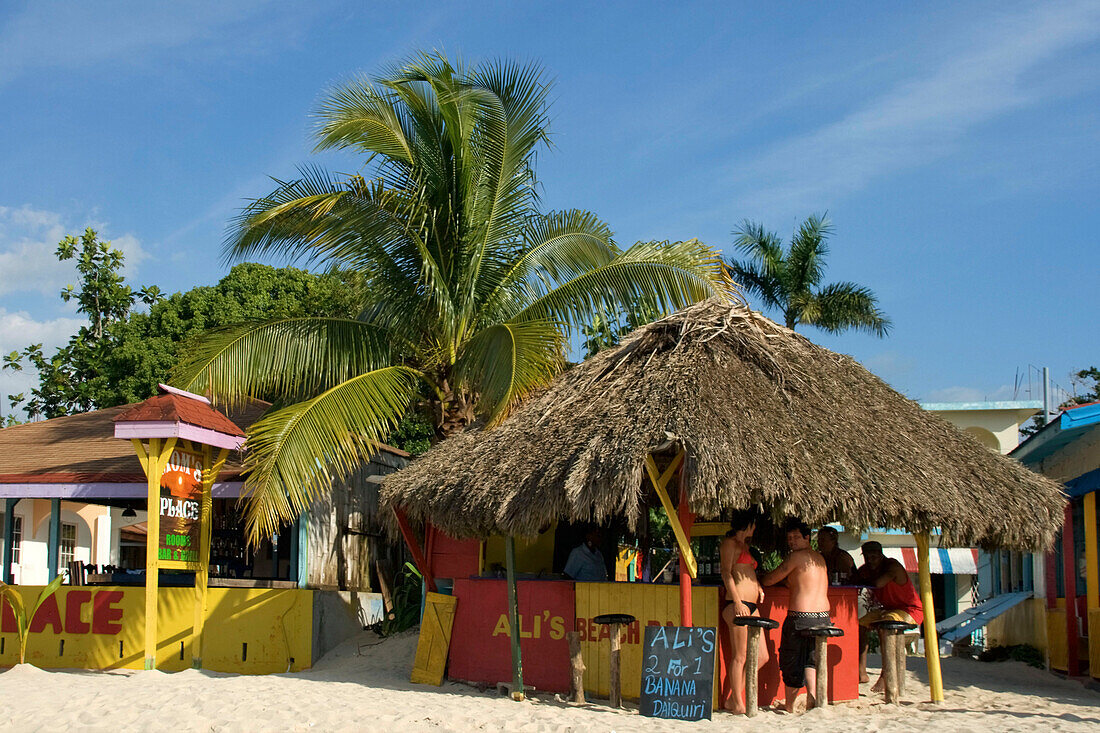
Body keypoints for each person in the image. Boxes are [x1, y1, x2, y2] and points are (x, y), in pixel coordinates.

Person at [762, 519, 831, 713]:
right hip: (823, 617)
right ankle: (813, 696)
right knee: (810, 660)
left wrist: (757, 577)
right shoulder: (819, 558)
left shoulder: (796, 557)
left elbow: (770, 579)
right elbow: (802, 582)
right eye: (789, 538)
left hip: (801, 617)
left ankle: (790, 706)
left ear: (807, 537)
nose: (792, 541)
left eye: (796, 537)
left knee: (791, 660)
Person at [855, 541, 924, 689]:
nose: (870, 560)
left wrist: (862, 579)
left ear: (880, 555)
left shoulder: (892, 566)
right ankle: (861, 671)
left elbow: (879, 583)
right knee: (859, 625)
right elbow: (855, 578)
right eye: (867, 557)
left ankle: (886, 674)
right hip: (887, 609)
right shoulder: (867, 569)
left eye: (873, 556)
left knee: (885, 626)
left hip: (909, 610)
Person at [719, 510, 767, 714]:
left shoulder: (745, 545)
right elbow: (726, 572)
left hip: (750, 604)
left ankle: (734, 697)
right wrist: (737, 601)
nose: (755, 528)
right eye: (754, 524)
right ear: (748, 524)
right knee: (740, 656)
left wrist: (759, 588)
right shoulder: (729, 543)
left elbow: (747, 572)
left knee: (762, 656)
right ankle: (737, 702)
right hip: (737, 604)